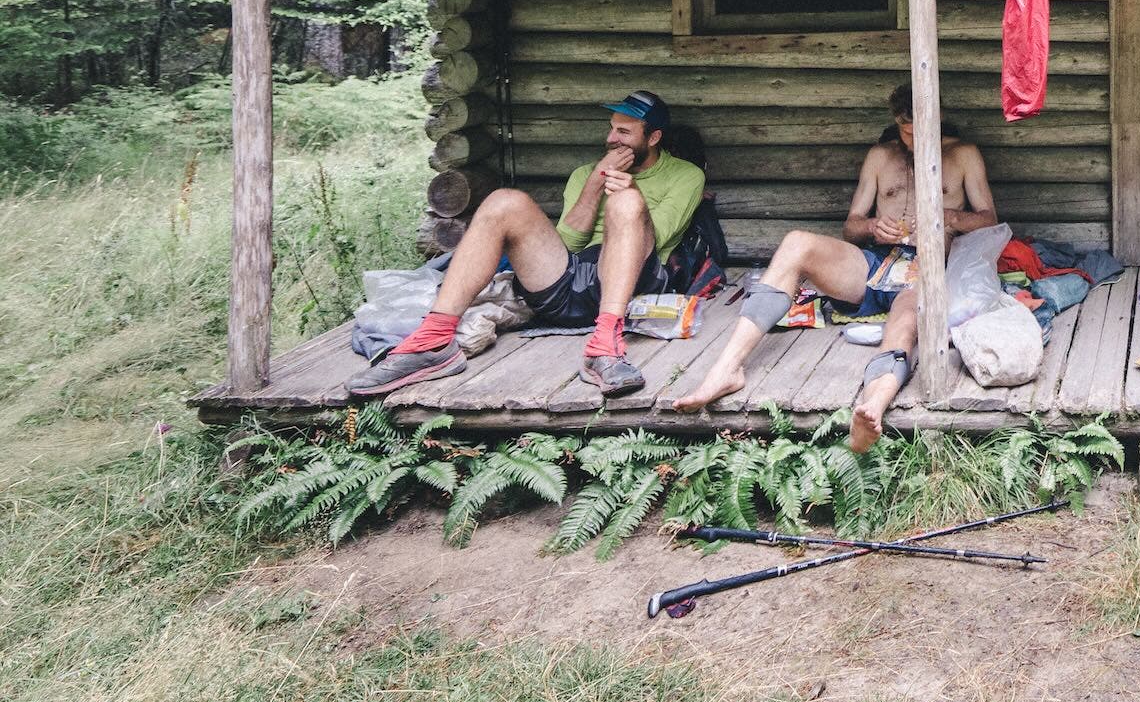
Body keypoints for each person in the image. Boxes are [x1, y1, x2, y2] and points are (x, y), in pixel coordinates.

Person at [673, 84, 997, 451]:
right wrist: (874, 226)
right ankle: (726, 369)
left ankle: (873, 405)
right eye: (906, 130)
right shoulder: (880, 156)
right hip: (877, 263)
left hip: (930, 269)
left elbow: (991, 221)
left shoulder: (964, 154)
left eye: (920, 128)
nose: (913, 138)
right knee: (797, 242)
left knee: (907, 316)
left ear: (937, 119)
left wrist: (947, 217)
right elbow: (852, 225)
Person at [349, 90, 709, 400]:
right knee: (504, 201)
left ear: (654, 137)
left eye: (624, 132)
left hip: (633, 282)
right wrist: (596, 183)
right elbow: (569, 241)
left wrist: (628, 193)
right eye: (611, 128)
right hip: (572, 278)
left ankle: (605, 346)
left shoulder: (686, 175)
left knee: (625, 204)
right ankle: (435, 340)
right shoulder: (587, 173)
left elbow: (658, 237)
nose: (612, 139)